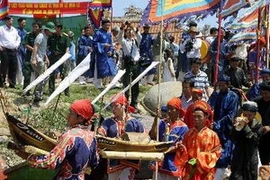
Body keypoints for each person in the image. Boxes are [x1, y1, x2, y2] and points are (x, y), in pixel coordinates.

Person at [26, 99, 99, 180]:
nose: (67, 116)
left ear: (81, 118)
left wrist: (30, 159)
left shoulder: (70, 136)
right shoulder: (92, 136)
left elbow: (51, 161)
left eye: (71, 113)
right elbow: (95, 161)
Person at [97, 94, 144, 180]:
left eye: (116, 106)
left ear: (124, 105)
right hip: (114, 160)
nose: (113, 109)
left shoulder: (135, 123)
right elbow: (101, 132)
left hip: (130, 160)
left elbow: (143, 137)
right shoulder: (108, 122)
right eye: (112, 106)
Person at [175, 100, 221, 180]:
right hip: (190, 172)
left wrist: (201, 158)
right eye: (194, 116)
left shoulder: (212, 135)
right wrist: (181, 149)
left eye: (199, 117)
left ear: (206, 117)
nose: (196, 119)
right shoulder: (188, 134)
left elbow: (217, 153)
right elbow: (184, 155)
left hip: (205, 173)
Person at [208, 75, 239, 180]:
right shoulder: (215, 95)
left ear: (227, 84)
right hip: (213, 129)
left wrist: (217, 125)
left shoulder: (233, 97)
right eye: (219, 85)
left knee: (223, 155)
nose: (221, 87)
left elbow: (230, 115)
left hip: (225, 130)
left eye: (223, 85)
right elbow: (208, 107)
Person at [149, 97, 188, 179]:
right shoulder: (163, 123)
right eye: (168, 109)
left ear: (178, 110)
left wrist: (165, 150)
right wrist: (156, 118)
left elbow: (181, 146)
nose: (169, 111)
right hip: (159, 162)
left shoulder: (183, 127)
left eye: (172, 109)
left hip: (172, 164)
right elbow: (153, 135)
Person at [230, 101, 262, 180]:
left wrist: (246, 127)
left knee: (250, 176)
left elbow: (254, 140)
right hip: (239, 155)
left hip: (250, 157)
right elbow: (232, 138)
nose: (247, 117)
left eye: (250, 115)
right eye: (245, 115)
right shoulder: (239, 122)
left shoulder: (258, 126)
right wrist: (235, 127)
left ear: (254, 115)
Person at [117, 22, 142, 110]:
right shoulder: (124, 42)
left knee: (136, 85)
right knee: (126, 84)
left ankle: (134, 103)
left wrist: (133, 28)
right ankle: (126, 102)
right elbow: (118, 38)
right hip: (128, 65)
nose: (130, 32)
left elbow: (139, 36)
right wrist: (121, 29)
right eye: (128, 31)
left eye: (130, 31)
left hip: (136, 64)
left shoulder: (136, 41)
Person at [31, 22, 55, 102]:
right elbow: (35, 47)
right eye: (51, 31)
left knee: (40, 77)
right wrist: (34, 59)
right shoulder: (41, 36)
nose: (52, 33)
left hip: (41, 59)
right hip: (38, 60)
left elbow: (42, 50)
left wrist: (46, 58)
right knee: (44, 76)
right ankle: (38, 94)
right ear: (47, 30)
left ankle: (37, 94)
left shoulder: (45, 37)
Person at [91, 19, 116, 89]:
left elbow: (111, 44)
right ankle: (97, 85)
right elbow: (94, 44)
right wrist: (103, 45)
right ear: (102, 25)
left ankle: (113, 83)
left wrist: (111, 51)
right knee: (99, 69)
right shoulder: (98, 33)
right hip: (100, 55)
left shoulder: (109, 34)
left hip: (108, 55)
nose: (108, 27)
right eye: (106, 25)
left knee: (112, 68)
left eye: (109, 25)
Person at [47, 22, 70, 96]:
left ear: (59, 28)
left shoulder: (65, 37)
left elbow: (67, 48)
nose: (54, 29)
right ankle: (51, 91)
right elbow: (48, 46)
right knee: (51, 74)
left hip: (61, 57)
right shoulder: (51, 36)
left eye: (55, 28)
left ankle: (66, 92)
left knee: (64, 75)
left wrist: (65, 58)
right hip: (53, 56)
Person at [0, 15, 21, 88]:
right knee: (4, 67)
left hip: (13, 50)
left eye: (11, 20)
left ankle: (12, 83)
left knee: (13, 67)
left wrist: (17, 45)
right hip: (4, 50)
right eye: (9, 21)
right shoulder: (2, 29)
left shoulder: (14, 29)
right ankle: (2, 83)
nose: (10, 22)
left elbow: (18, 38)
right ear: (5, 21)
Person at [22, 21, 41, 95]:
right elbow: (25, 44)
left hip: (39, 57)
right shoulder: (29, 35)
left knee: (39, 75)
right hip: (29, 56)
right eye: (33, 26)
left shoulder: (41, 36)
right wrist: (34, 50)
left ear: (39, 28)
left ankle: (37, 92)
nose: (34, 28)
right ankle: (26, 90)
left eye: (36, 27)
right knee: (27, 73)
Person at [254, 82, 270, 165]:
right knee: (264, 159)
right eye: (262, 93)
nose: (264, 96)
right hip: (261, 134)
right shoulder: (257, 101)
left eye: (266, 93)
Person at [16, 17, 27, 86]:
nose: (24, 24)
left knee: (23, 65)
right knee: (18, 65)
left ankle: (22, 79)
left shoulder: (25, 32)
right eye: (23, 22)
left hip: (24, 50)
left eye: (25, 23)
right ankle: (18, 80)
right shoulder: (16, 31)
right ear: (19, 23)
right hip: (18, 50)